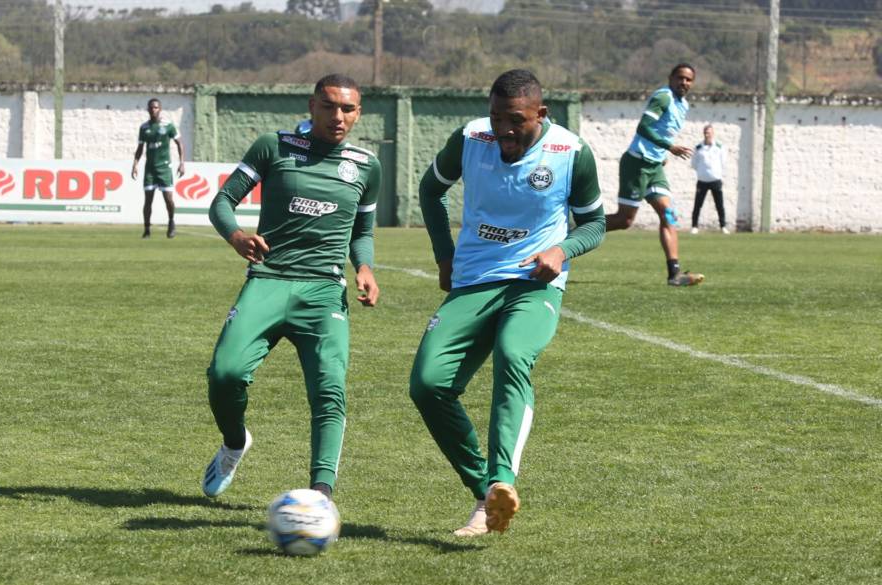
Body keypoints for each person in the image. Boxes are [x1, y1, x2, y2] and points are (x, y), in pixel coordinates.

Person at [410, 69, 605, 536]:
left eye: (515, 120)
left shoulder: (571, 153)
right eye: (497, 117)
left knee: (514, 354)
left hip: (533, 284)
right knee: (427, 384)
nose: (503, 130)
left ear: (541, 114)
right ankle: (485, 493)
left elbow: (594, 224)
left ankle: (503, 479)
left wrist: (562, 251)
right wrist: (444, 255)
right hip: (474, 280)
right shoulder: (471, 138)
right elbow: (430, 190)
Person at [202, 74, 381, 502]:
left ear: (358, 113)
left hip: (323, 292)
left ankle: (320, 494)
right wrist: (236, 236)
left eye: (348, 109)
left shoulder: (365, 165)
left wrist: (366, 266)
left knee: (329, 390)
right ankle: (233, 442)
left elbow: (363, 230)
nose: (338, 117)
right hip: (268, 280)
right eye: (329, 106)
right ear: (311, 105)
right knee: (224, 374)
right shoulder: (273, 147)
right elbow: (222, 202)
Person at [605, 63, 704, 286]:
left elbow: (661, 130)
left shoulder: (683, 104)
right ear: (670, 78)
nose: (684, 83)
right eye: (680, 78)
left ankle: (674, 274)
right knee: (624, 220)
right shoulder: (663, 97)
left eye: (689, 80)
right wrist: (669, 147)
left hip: (655, 166)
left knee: (669, 214)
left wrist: (662, 153)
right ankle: (578, 228)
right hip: (637, 163)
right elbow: (644, 127)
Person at [131, 98, 185, 238]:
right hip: (150, 169)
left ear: (160, 109)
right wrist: (135, 164)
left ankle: (171, 222)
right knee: (148, 200)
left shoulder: (168, 126)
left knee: (168, 199)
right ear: (148, 110)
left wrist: (182, 163)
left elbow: (179, 143)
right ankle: (147, 229)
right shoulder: (144, 128)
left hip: (164, 168)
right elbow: (140, 147)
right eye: (151, 108)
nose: (153, 110)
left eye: (156, 107)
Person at [690, 124, 728, 234]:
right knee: (698, 204)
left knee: (719, 204)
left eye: (709, 132)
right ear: (703, 133)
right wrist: (702, 172)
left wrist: (716, 172)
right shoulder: (698, 148)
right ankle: (694, 226)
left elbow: (723, 162)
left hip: (715, 180)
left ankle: (723, 226)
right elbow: (694, 164)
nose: (708, 134)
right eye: (706, 132)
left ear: (713, 133)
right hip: (702, 181)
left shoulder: (719, 147)